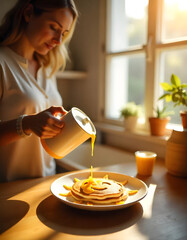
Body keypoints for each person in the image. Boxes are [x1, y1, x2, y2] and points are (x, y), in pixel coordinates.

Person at [0, 0, 78, 182]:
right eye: (53, 27)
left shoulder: (48, 67)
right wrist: (27, 124)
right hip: (8, 189)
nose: (58, 41)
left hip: (46, 183)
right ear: (28, 13)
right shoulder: (3, 64)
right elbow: (31, 121)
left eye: (63, 33)